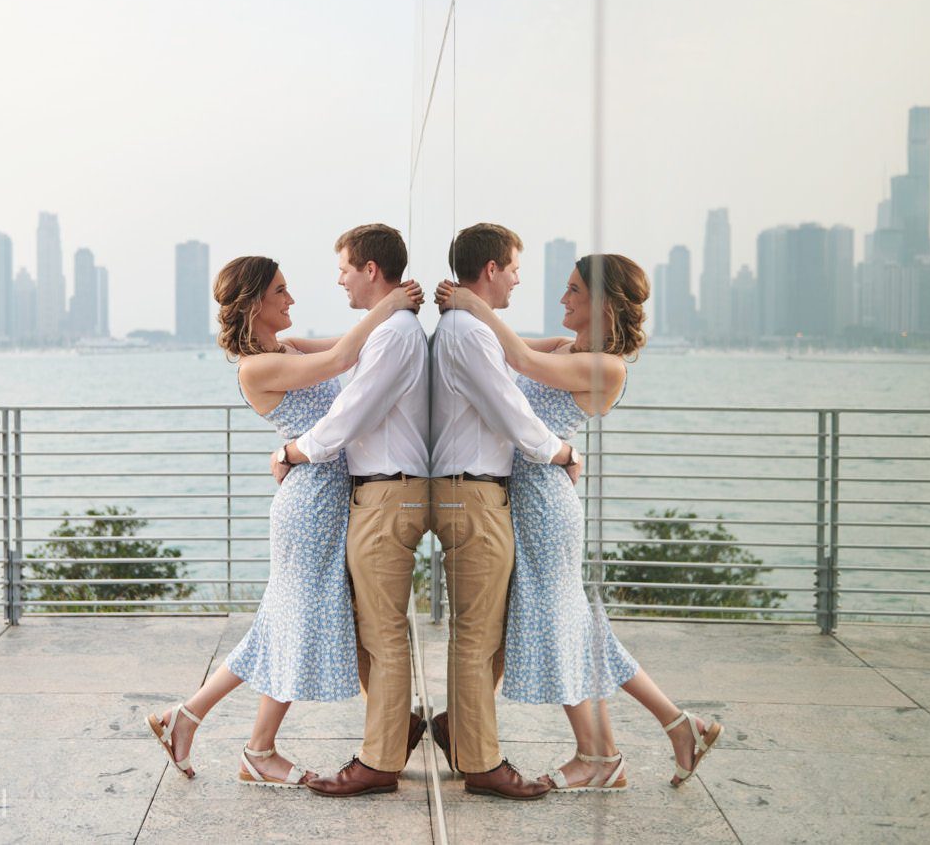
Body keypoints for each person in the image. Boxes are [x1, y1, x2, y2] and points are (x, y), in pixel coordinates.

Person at [434, 253, 723, 792]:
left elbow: (518, 356)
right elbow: (501, 349)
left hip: (543, 501)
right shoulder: (573, 349)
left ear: (601, 303)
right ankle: (672, 728)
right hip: (527, 493)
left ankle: (599, 754)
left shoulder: (606, 367)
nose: (563, 300)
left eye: (573, 291)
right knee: (580, 627)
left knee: (554, 619)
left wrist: (471, 302)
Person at [147, 255, 423, 786]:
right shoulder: (258, 368)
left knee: (283, 622)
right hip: (311, 503)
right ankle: (255, 748)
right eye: (281, 292)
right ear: (254, 304)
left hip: (326, 495)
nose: (291, 300)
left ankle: (191, 719)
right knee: (295, 620)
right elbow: (343, 355)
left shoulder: (286, 349)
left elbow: (358, 348)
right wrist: (389, 302)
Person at [271, 224, 431, 798]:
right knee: (377, 634)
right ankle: (398, 734)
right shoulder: (388, 329)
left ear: (370, 269)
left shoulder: (394, 334)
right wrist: (299, 348)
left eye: (343, 268)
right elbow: (347, 354)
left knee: (381, 635)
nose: (337, 279)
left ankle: (379, 761)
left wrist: (294, 449)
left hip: (388, 493)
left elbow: (351, 416)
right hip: (385, 490)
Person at [428, 223, 580, 801]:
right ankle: (483, 766)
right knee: (478, 638)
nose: (519, 277)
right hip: (473, 492)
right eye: (514, 267)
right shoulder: (468, 330)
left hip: (471, 488)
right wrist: (560, 450)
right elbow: (510, 408)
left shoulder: (468, 327)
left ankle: (464, 741)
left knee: (479, 635)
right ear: (490, 269)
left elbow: (510, 370)